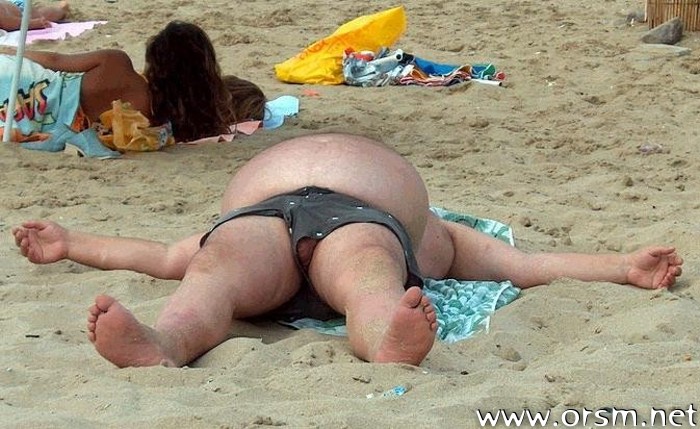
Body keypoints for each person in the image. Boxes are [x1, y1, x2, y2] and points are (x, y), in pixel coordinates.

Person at [12, 133, 683, 368]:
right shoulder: (434, 227)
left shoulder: (440, 233)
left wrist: (621, 266)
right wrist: (74, 243)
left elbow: (521, 266)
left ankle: (385, 337)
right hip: (259, 220)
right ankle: (164, 342)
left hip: (363, 219)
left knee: (367, 274)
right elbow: (162, 256)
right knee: (210, 272)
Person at [0, 20, 266, 149]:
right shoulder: (160, 120)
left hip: (26, 80)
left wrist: (8, 50)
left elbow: (54, 60)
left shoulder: (117, 64)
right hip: (31, 113)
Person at [0, 0, 69, 31]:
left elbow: (11, 23)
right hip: (11, 6)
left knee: (42, 15)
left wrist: (35, 23)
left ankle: (62, 9)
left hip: (21, 10)